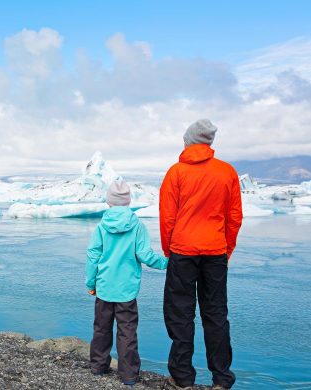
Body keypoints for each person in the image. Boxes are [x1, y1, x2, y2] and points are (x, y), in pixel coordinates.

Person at [160, 119, 243, 390]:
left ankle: (183, 378)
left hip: (183, 251)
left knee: (180, 313)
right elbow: (234, 218)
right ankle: (221, 380)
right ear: (209, 143)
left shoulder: (176, 173)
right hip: (215, 251)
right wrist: (225, 249)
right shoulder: (227, 172)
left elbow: (167, 219)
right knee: (216, 314)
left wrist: (169, 250)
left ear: (188, 141)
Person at [86, 179, 168, 386]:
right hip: (127, 291)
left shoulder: (102, 227)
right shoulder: (137, 226)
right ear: (128, 201)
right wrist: (167, 262)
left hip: (104, 288)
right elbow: (146, 255)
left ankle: (98, 366)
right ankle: (129, 375)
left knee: (101, 329)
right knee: (127, 332)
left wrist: (91, 283)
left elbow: (93, 256)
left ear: (109, 202)